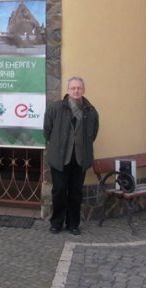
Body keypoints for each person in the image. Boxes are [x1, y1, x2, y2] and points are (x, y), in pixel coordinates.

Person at [44, 76, 99, 236]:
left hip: (80, 158)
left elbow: (93, 133)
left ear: (83, 90)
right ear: (67, 90)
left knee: (76, 192)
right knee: (59, 191)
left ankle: (73, 224)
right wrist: (57, 145)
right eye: (73, 88)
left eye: (79, 88)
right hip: (60, 158)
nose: (76, 91)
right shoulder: (56, 108)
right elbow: (47, 130)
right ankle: (56, 223)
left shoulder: (90, 110)